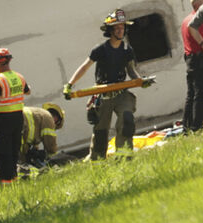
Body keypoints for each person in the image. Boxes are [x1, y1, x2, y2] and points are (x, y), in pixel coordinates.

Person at [64, 10, 153, 160]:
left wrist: (140, 81)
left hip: (121, 93)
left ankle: (124, 157)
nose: (120, 30)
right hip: (102, 95)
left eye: (122, 27)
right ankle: (97, 160)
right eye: (117, 28)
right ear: (110, 31)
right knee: (101, 131)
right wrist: (70, 84)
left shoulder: (126, 49)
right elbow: (85, 67)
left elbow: (131, 70)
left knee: (127, 120)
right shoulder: (100, 49)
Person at [0, 47, 30, 183]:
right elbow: (28, 91)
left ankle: (7, 185)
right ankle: (14, 180)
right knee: (14, 151)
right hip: (18, 118)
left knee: (3, 154)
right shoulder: (19, 77)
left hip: (2, 120)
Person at [180, 0, 203, 132]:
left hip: (190, 57)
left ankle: (187, 126)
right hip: (198, 58)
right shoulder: (198, 20)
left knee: (191, 93)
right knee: (201, 93)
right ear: (198, 5)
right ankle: (196, 126)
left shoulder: (186, 20)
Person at [20, 103, 64, 169]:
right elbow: (50, 143)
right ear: (58, 120)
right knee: (20, 161)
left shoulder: (39, 115)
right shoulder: (49, 118)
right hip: (19, 126)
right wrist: (56, 158)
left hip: (13, 118)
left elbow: (29, 137)